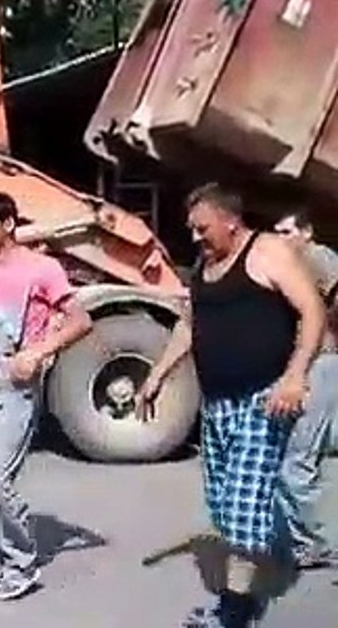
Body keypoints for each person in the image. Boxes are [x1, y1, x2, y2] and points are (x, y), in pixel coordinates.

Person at [137, 183, 325, 628]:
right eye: (192, 230)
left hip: (264, 400)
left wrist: (295, 375)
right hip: (218, 404)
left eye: (202, 228)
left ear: (230, 220)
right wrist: (157, 374)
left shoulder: (268, 252)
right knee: (223, 503)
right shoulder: (206, 263)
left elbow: (312, 310)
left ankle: (235, 610)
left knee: (241, 508)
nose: (196, 237)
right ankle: (272, 548)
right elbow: (191, 325)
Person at [0, 192, 92, 600]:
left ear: (8, 225)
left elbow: (81, 321)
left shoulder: (42, 269)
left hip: (17, 390)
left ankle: (22, 563)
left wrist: (39, 352)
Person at [273, 207, 338, 570]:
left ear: (306, 232)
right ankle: (305, 537)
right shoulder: (291, 266)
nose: (280, 238)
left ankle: (314, 543)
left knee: (297, 458)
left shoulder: (316, 257)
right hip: (305, 367)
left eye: (286, 231)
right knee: (297, 457)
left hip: (318, 366)